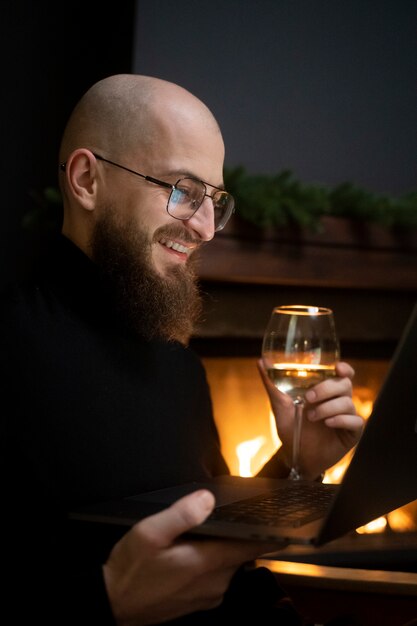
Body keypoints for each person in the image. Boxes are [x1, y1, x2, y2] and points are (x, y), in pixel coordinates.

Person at [0, 74, 364, 625]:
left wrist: (297, 463)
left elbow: (204, 540)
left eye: (216, 200)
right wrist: (108, 603)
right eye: (183, 191)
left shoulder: (180, 366)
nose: (206, 228)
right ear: (85, 180)